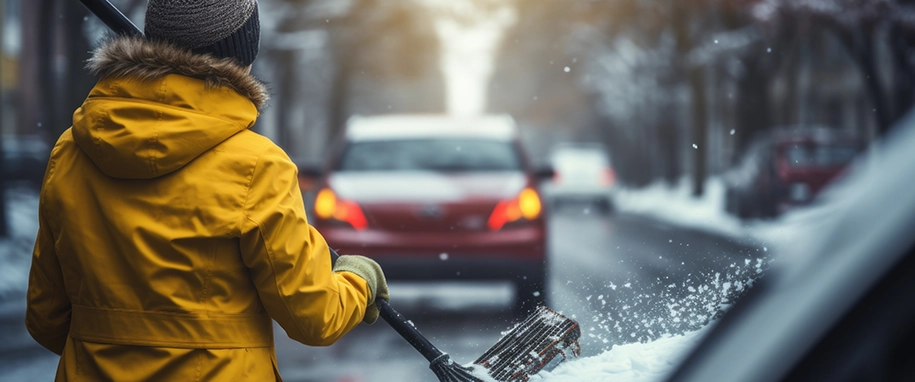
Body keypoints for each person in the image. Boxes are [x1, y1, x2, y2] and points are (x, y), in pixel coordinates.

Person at [25, 0, 388, 380]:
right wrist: (358, 280)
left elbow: (46, 319)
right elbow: (315, 318)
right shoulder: (258, 165)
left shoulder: (70, 151)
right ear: (241, 54)